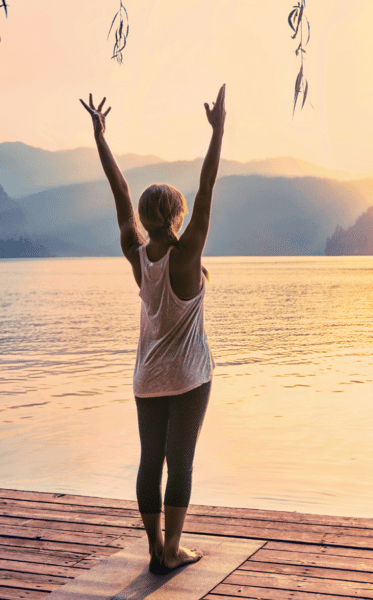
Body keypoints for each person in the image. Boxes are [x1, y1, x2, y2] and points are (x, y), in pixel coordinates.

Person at [80, 85, 226, 575]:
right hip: (187, 379)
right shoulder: (187, 257)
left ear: (144, 220)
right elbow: (208, 188)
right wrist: (218, 131)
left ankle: (152, 548)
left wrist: (101, 137)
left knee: (150, 463)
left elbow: (119, 191)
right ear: (178, 217)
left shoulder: (136, 255)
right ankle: (173, 550)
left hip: (147, 379)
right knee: (179, 463)